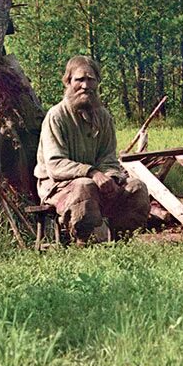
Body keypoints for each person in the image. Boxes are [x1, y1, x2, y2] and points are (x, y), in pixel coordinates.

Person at [34, 56, 150, 244]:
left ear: (97, 83)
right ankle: (85, 242)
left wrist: (111, 178)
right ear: (68, 82)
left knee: (136, 188)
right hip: (57, 185)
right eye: (79, 79)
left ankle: (119, 242)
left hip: (96, 182)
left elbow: (108, 157)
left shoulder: (103, 117)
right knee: (84, 186)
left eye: (91, 79)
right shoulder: (56, 116)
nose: (85, 85)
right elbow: (55, 165)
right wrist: (93, 173)